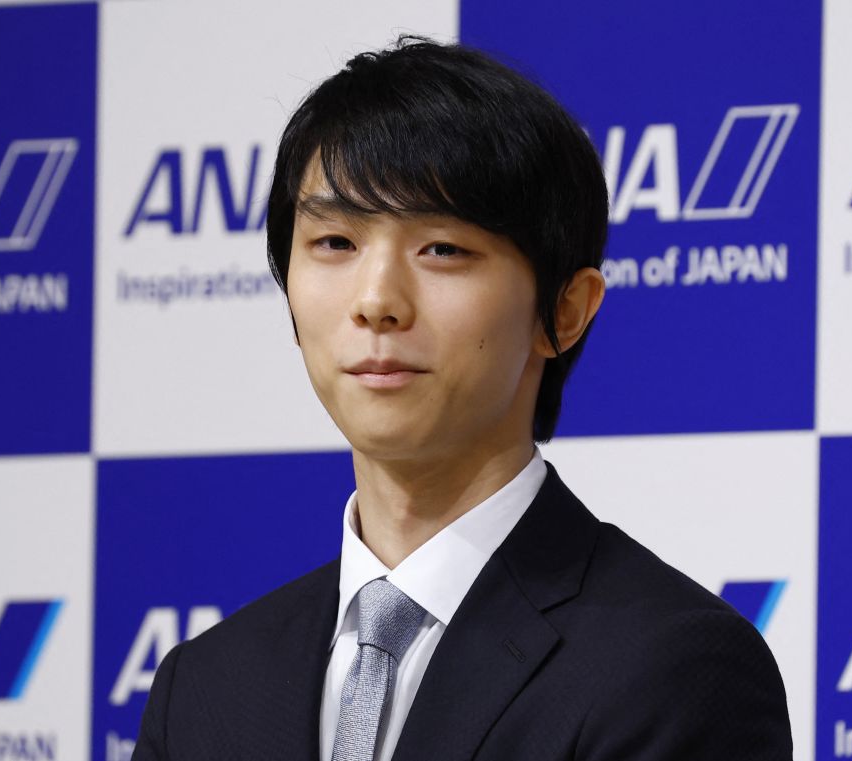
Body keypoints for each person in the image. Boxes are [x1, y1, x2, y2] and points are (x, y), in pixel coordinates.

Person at [133, 37, 792, 761]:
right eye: (335, 242)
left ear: (565, 311)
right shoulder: (205, 686)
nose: (376, 300)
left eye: (442, 248)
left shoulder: (673, 669)